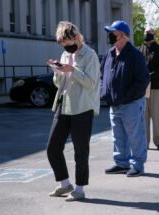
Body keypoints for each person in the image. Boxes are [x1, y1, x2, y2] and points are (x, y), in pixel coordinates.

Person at [46, 21, 101, 201]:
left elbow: (91, 83)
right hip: (64, 104)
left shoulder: (90, 55)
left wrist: (72, 70)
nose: (67, 49)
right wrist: (57, 72)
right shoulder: (64, 54)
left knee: (80, 150)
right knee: (53, 147)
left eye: (69, 45)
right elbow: (58, 84)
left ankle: (79, 189)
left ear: (77, 38)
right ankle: (64, 183)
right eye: (64, 46)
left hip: (82, 107)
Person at [100, 20, 149, 177]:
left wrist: (127, 96)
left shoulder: (135, 55)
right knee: (118, 136)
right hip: (114, 104)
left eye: (112, 33)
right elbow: (103, 75)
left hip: (131, 104)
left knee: (136, 136)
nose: (109, 36)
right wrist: (104, 93)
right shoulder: (109, 53)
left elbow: (142, 81)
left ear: (122, 35)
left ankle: (138, 165)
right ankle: (121, 163)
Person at [139, 27, 159, 151]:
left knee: (157, 115)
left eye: (149, 33)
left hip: (156, 86)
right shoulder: (140, 49)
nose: (147, 35)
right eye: (145, 33)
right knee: (143, 116)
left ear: (154, 35)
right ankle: (144, 143)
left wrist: (149, 76)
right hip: (142, 88)